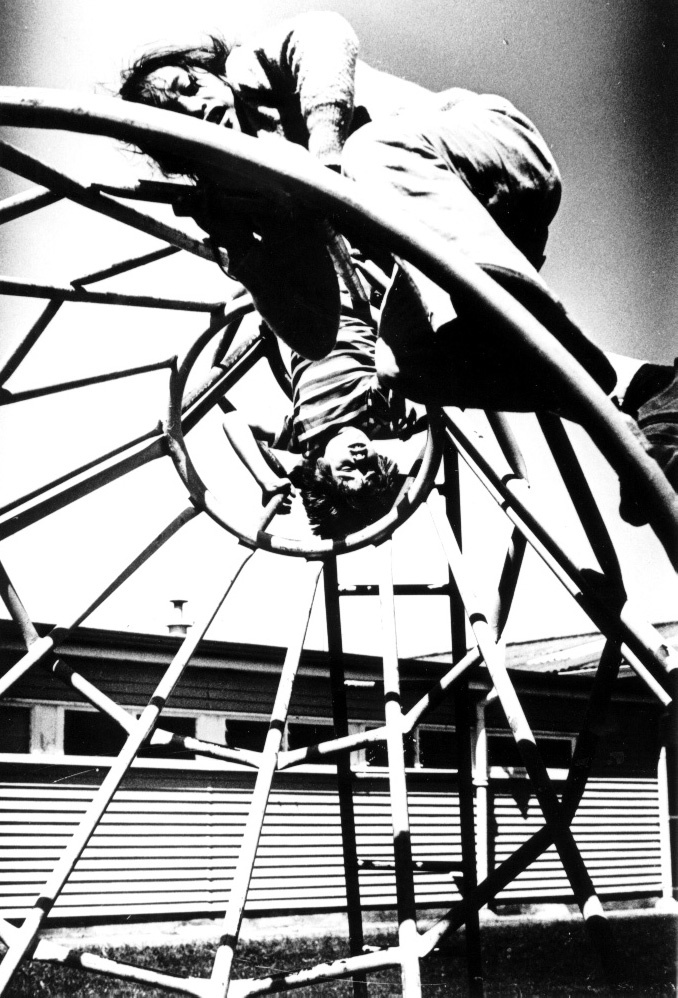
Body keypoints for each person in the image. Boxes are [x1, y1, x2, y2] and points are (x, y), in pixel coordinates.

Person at [118, 11, 676, 531]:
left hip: (488, 154)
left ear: (209, 69)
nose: (195, 110)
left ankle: (519, 321)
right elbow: (316, 334)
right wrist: (243, 249)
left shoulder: (252, 72)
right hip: (467, 238)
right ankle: (640, 396)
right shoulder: (260, 196)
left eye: (188, 88)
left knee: (369, 154)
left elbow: (323, 33)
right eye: (175, 124)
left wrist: (324, 150)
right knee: (411, 368)